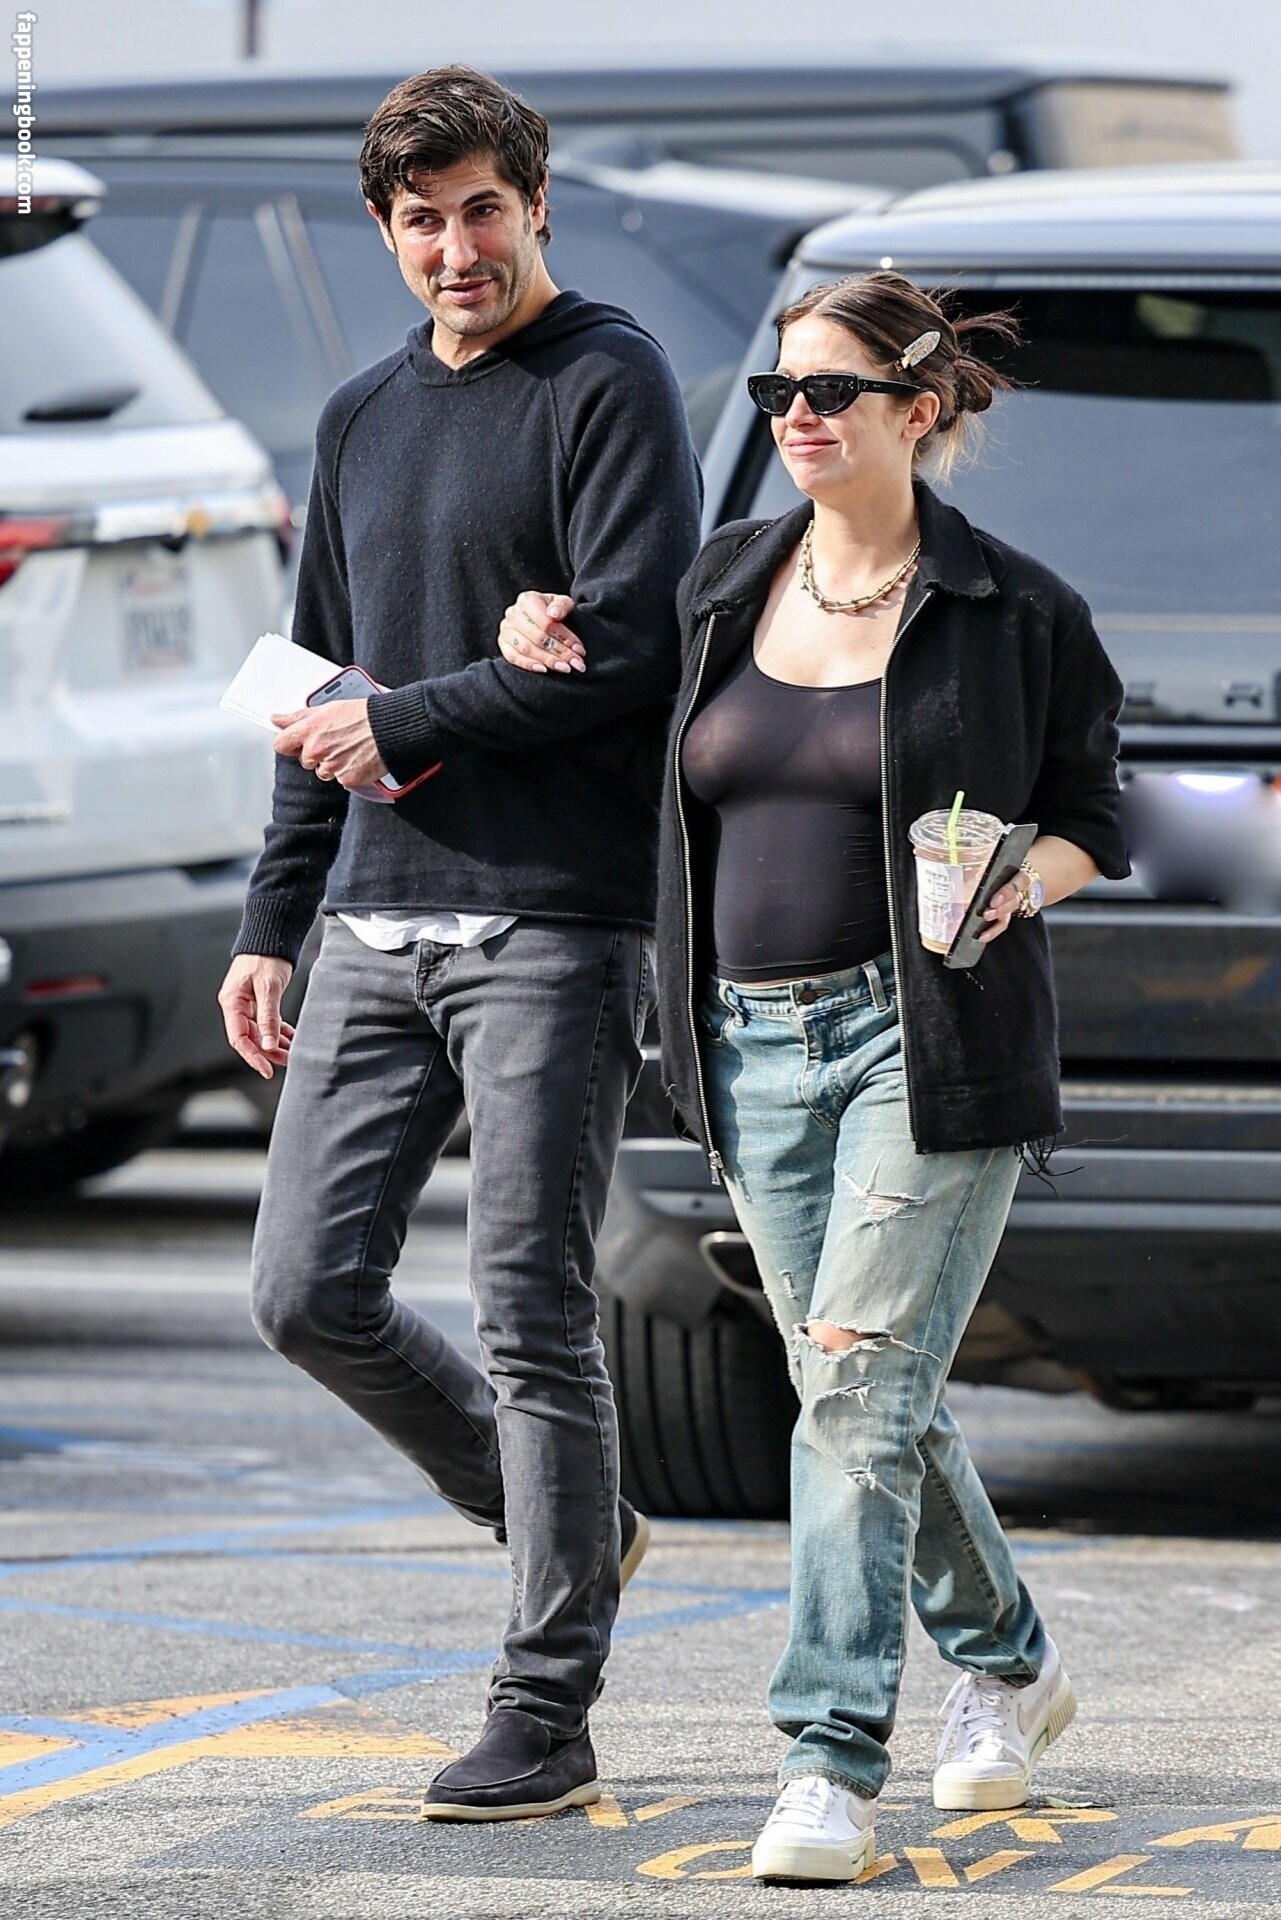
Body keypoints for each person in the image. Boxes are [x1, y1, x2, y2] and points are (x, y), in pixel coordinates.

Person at [495, 271, 1129, 1880]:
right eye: (781, 390)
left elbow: (1092, 815)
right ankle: (1010, 1664)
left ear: (917, 410)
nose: (796, 416)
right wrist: (532, 634)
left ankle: (826, 1761)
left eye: (831, 391)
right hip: (743, 1045)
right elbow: (613, 709)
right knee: (861, 1393)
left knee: (850, 1386)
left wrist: (1020, 882)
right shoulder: (724, 582)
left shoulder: (1011, 609)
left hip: (924, 1043)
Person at [216, 65, 702, 1822]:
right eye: (421, 221)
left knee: (530, 1310)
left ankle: (543, 1708)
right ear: (384, 230)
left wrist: (419, 717)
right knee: (302, 1292)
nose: (456, 249)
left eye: (482, 210)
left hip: (551, 921)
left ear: (535, 204)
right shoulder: (359, 418)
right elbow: (318, 691)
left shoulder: (606, 380)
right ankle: (563, 1520)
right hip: (367, 909)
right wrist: (272, 918)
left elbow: (633, 652)